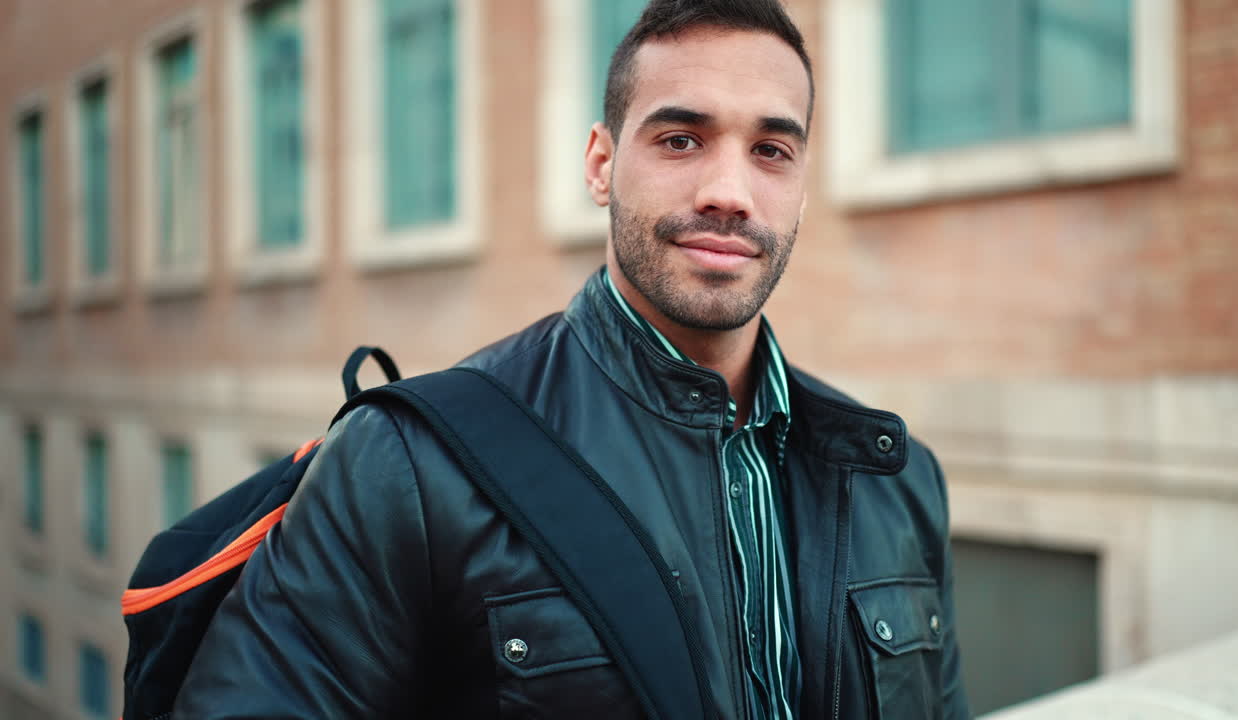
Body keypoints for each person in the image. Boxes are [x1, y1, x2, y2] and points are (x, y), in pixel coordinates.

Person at [174, 0, 969, 717]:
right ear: (600, 164)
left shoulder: (895, 479)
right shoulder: (412, 463)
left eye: (771, 150)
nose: (730, 190)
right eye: (681, 139)